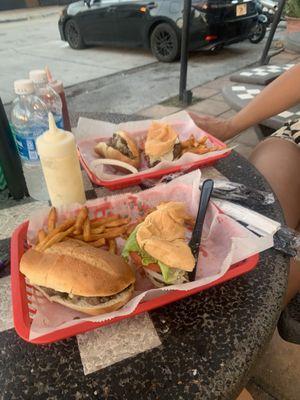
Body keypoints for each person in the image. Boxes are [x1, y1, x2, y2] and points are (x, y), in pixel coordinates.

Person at [189, 63, 300, 307]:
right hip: (296, 136)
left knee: (281, 274)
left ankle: (239, 333)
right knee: (256, 240)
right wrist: (229, 126)